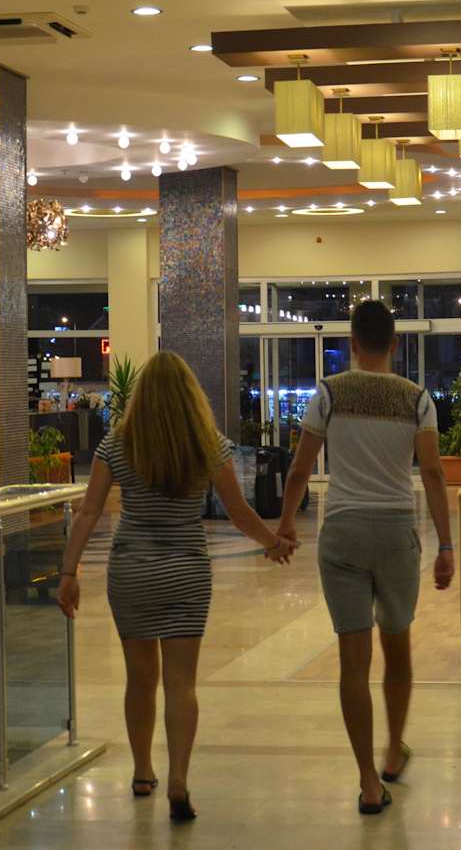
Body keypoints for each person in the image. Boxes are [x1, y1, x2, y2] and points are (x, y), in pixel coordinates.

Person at [56, 352, 295, 823]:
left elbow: (88, 511)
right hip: (186, 571)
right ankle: (179, 780)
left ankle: (143, 771)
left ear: (141, 395)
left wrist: (68, 571)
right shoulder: (208, 445)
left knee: (140, 679)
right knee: (181, 684)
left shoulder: (117, 444)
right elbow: (239, 512)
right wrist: (273, 543)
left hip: (133, 571)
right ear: (191, 396)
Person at [279, 300, 454, 816]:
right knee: (397, 648)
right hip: (396, 533)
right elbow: (433, 473)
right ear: (394, 344)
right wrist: (446, 546)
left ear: (353, 344)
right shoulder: (416, 399)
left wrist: (285, 524)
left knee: (353, 663)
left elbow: (299, 469)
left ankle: (368, 782)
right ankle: (393, 751)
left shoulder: (329, 394)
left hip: (343, 535)